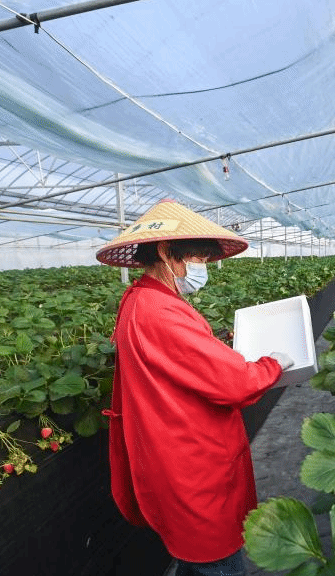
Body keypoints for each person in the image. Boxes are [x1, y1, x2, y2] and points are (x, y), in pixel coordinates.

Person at [95, 199, 295, 576]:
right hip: (192, 465)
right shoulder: (161, 311)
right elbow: (237, 384)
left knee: (193, 558)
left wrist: (216, 347)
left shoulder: (141, 301)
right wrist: (274, 364)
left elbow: (179, 363)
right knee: (216, 556)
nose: (202, 268)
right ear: (168, 252)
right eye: (199, 259)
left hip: (170, 455)